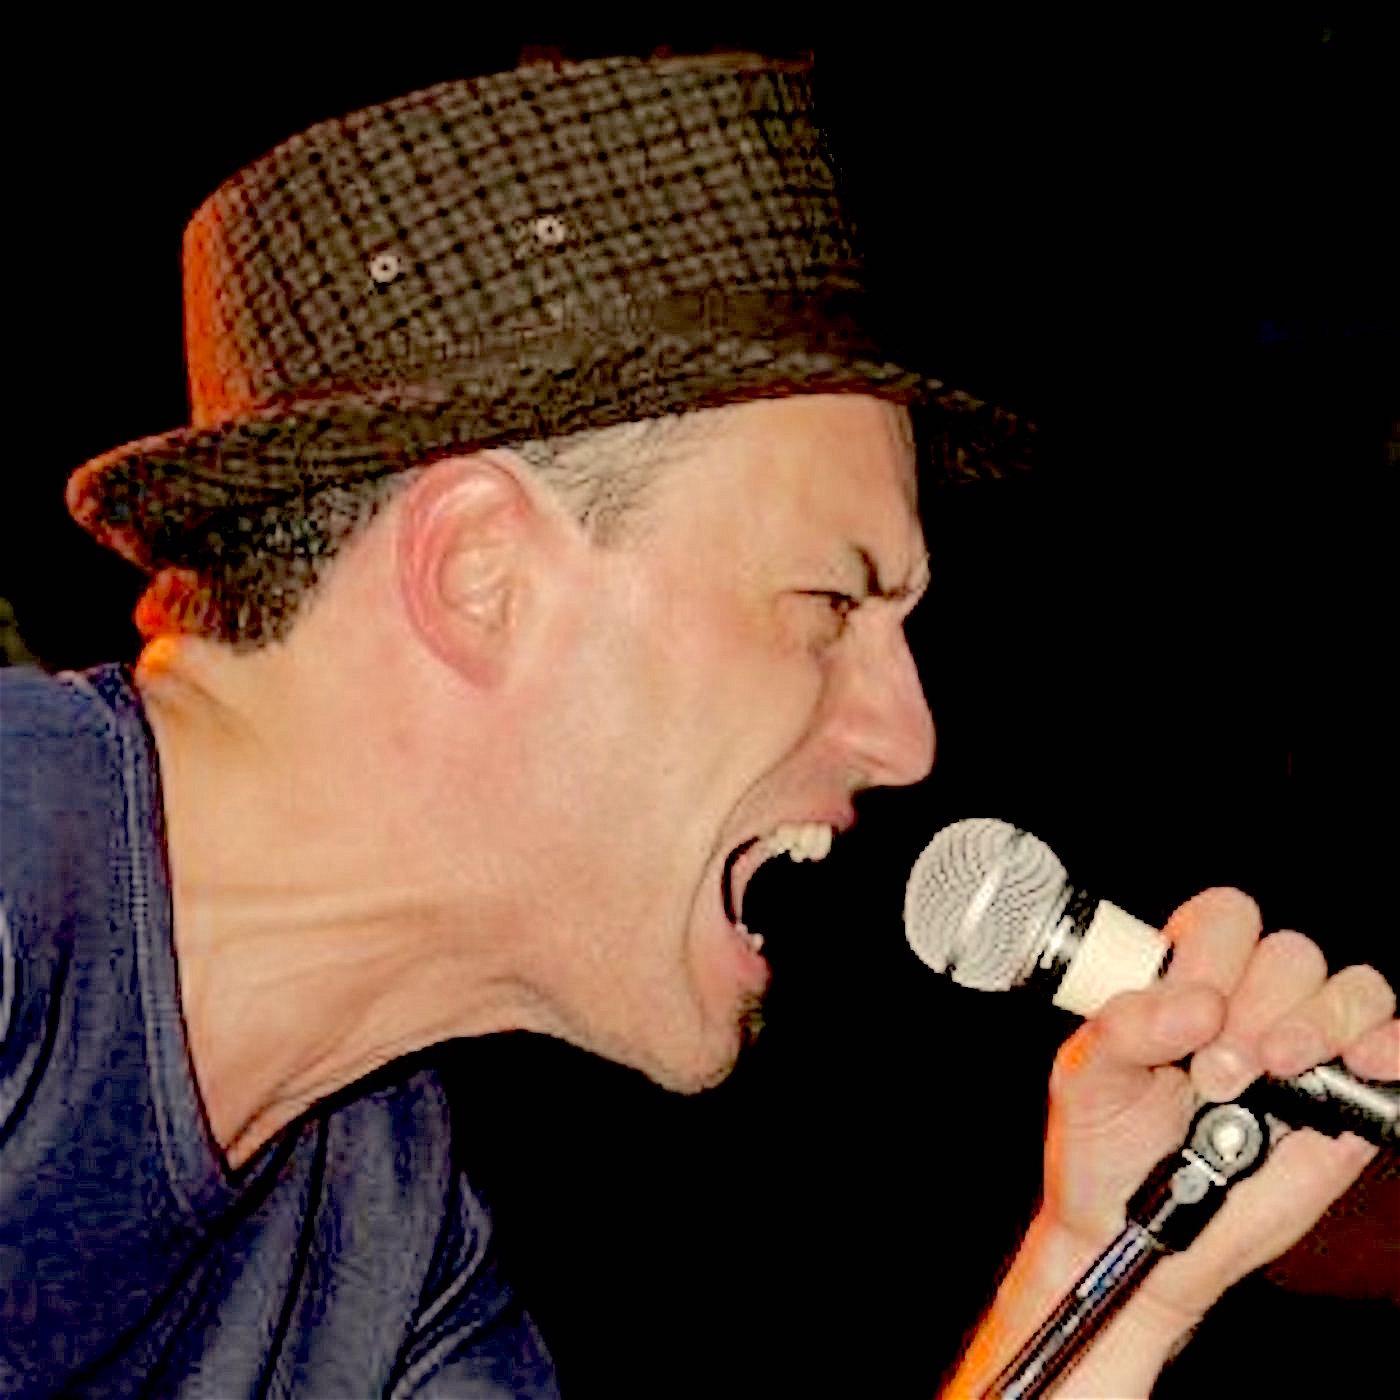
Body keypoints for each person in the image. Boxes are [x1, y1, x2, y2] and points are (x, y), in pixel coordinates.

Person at [2, 50, 1394, 1399]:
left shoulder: (382, 1232)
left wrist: (1111, 1280)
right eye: (830, 604)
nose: (906, 742)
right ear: (482, 573)